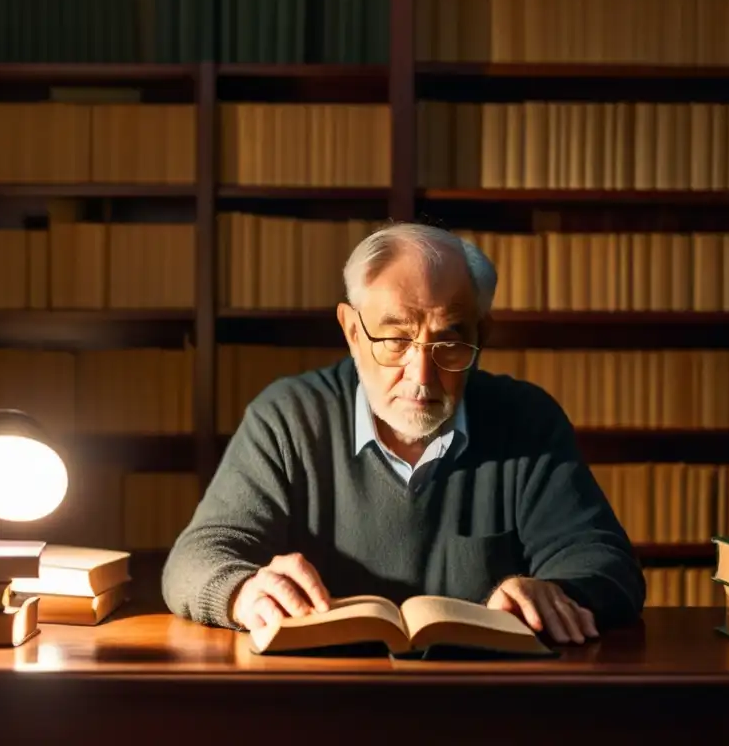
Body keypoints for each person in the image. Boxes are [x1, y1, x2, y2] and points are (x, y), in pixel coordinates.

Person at [162, 222, 646, 644]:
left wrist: (558, 593)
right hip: (322, 704)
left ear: (482, 336)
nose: (421, 376)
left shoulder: (527, 420)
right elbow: (195, 558)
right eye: (394, 340)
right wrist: (243, 593)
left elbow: (607, 563)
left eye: (450, 343)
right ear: (352, 331)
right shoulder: (288, 418)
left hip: (485, 706)